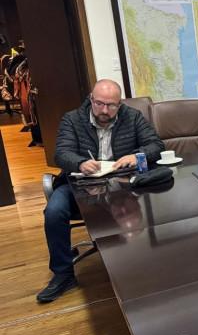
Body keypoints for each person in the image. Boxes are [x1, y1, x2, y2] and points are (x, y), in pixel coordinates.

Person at [38, 79, 163, 303]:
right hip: (79, 184)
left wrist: (136, 156)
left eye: (111, 105)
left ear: (120, 104)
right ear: (91, 99)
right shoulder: (72, 119)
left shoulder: (132, 117)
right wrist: (79, 163)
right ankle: (63, 275)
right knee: (54, 212)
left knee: (159, 198)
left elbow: (156, 145)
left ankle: (144, 265)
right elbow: (62, 154)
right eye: (99, 104)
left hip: (121, 185)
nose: (104, 110)